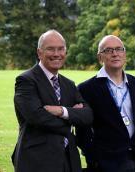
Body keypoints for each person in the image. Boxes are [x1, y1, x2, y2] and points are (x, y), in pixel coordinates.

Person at [12, 29, 93, 172]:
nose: (56, 54)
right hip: (37, 160)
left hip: (69, 161)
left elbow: (87, 116)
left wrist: (62, 111)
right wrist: (72, 118)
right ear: (39, 53)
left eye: (61, 49)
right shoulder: (26, 80)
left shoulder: (69, 84)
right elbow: (36, 117)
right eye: (50, 49)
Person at [76, 35, 135, 172]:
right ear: (100, 57)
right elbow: (83, 132)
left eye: (119, 49)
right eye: (109, 50)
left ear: (124, 54)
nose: (115, 54)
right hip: (107, 164)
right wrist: (94, 157)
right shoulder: (86, 88)